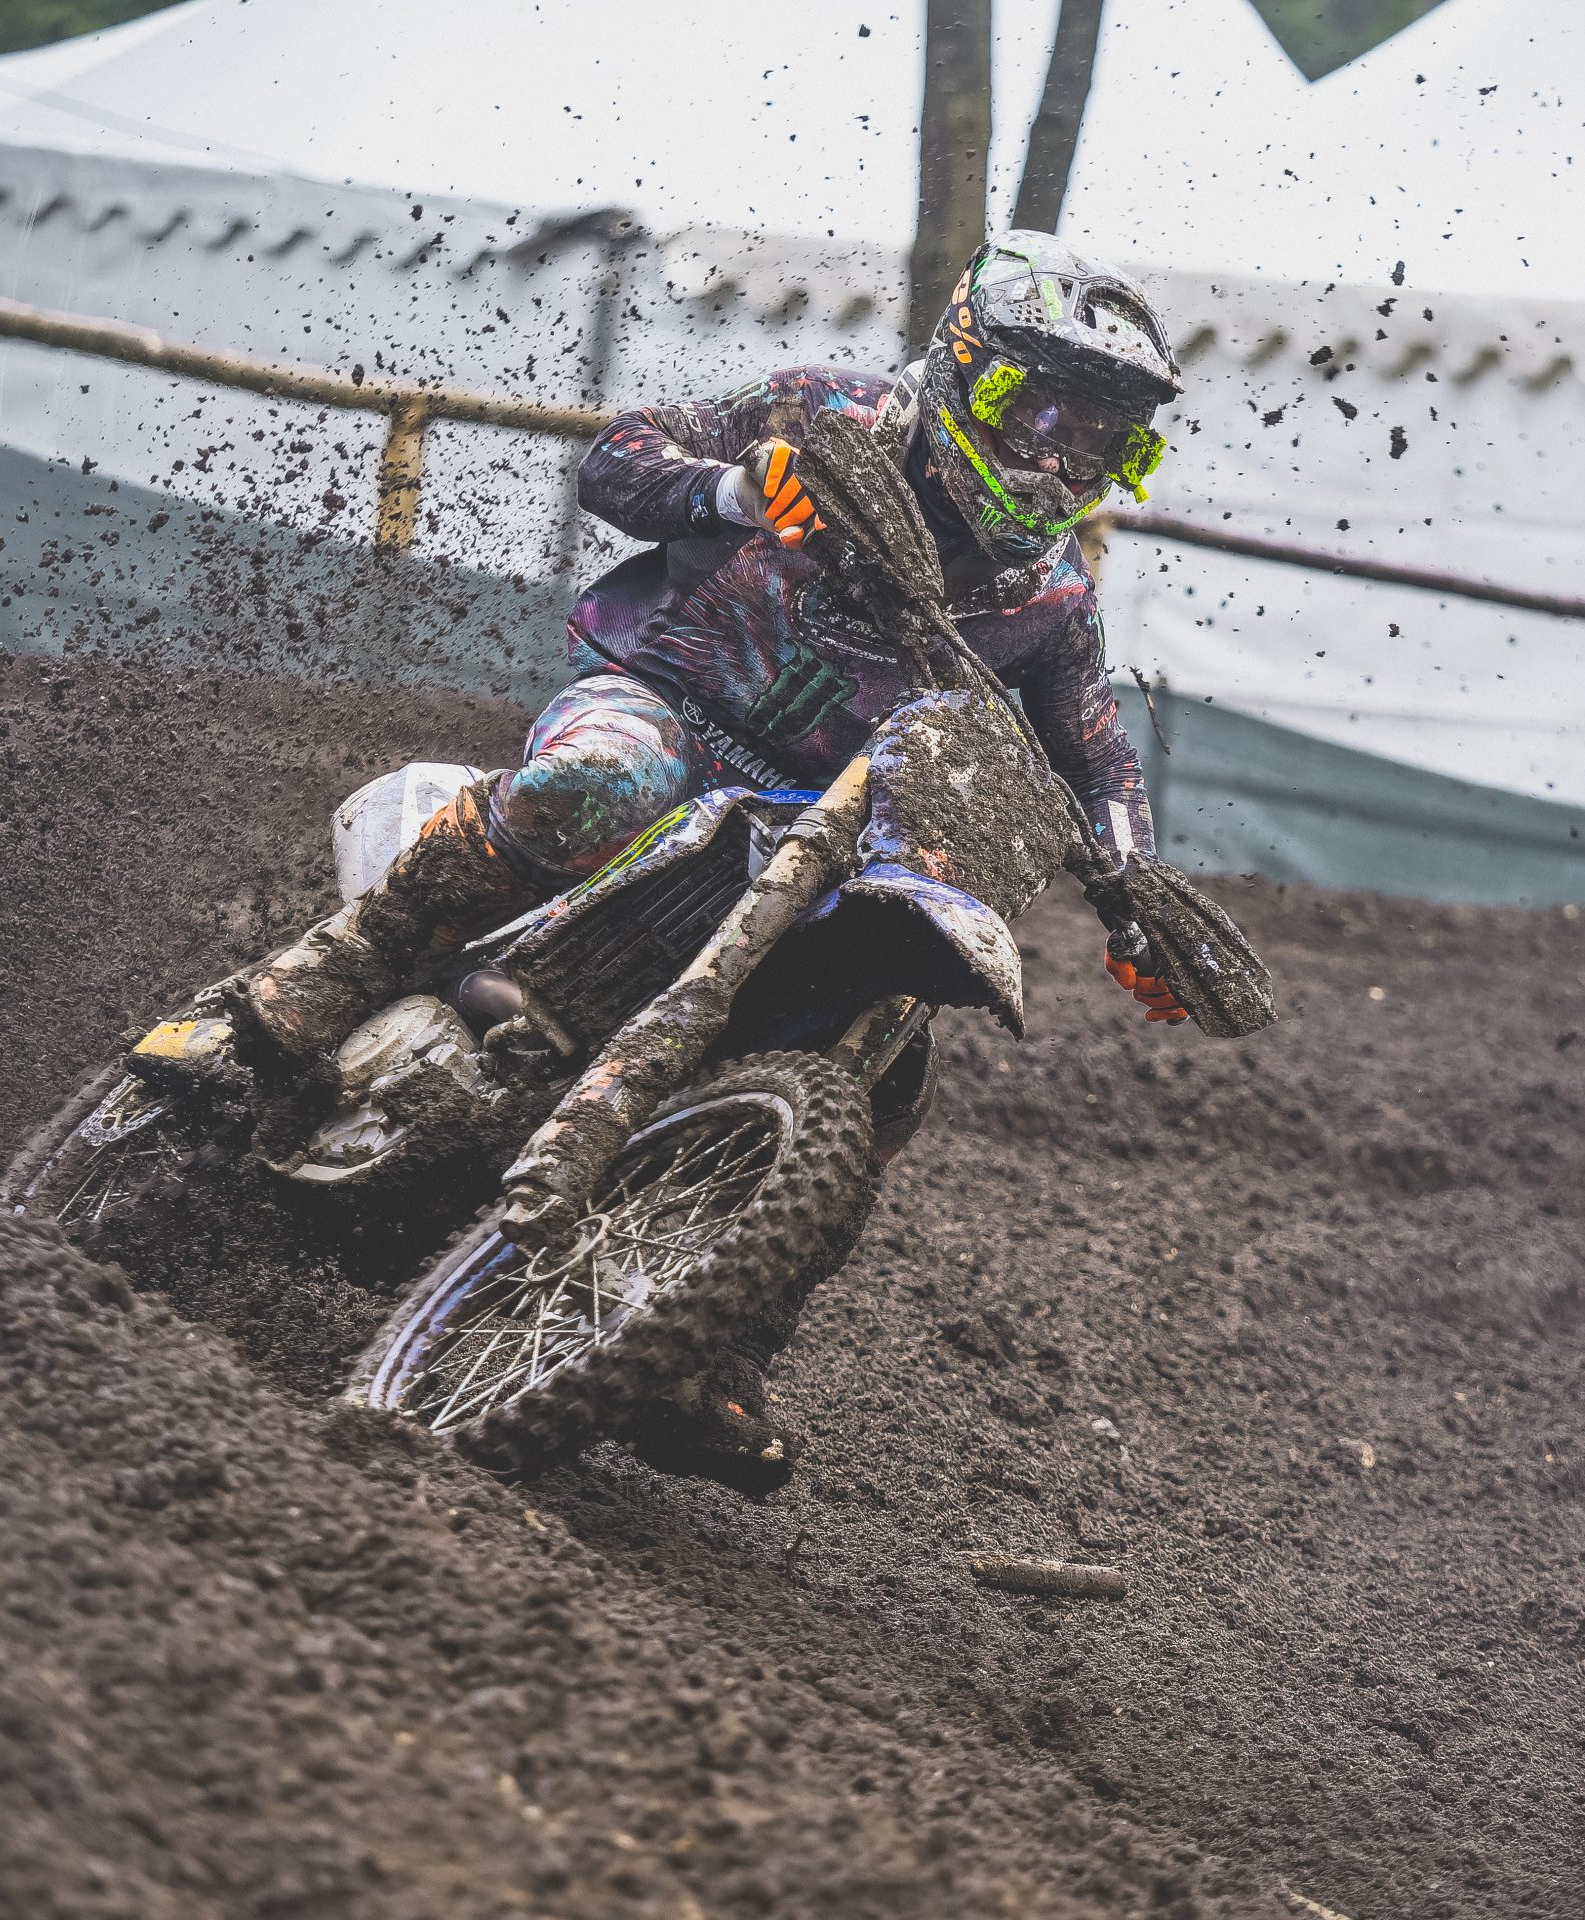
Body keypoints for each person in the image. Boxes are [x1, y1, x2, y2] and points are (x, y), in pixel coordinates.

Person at [231, 231, 1190, 1478]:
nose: (1060, 460)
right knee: (598, 780)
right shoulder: (826, 414)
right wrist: (733, 492)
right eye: (1041, 414)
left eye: (1104, 442)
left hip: (821, 812)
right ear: (968, 369)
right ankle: (343, 962)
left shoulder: (1050, 600)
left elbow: (1099, 758)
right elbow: (618, 455)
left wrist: (1139, 897)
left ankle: (719, 1337)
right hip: (668, 710)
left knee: (894, 1054)